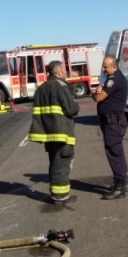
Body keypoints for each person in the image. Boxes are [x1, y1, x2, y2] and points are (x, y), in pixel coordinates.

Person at [28, 61, 79, 204]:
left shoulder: (41, 89)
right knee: (61, 164)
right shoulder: (60, 86)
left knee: (54, 163)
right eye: (64, 70)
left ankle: (56, 194)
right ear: (59, 73)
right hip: (62, 134)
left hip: (48, 135)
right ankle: (60, 196)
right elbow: (72, 109)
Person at [92, 55, 128, 200]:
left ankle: (120, 187)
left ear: (114, 66)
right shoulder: (112, 78)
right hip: (111, 121)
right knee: (114, 151)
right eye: (103, 66)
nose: (104, 69)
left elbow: (99, 97)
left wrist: (95, 94)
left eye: (106, 67)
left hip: (113, 122)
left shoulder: (114, 79)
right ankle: (120, 184)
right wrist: (96, 92)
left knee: (115, 153)